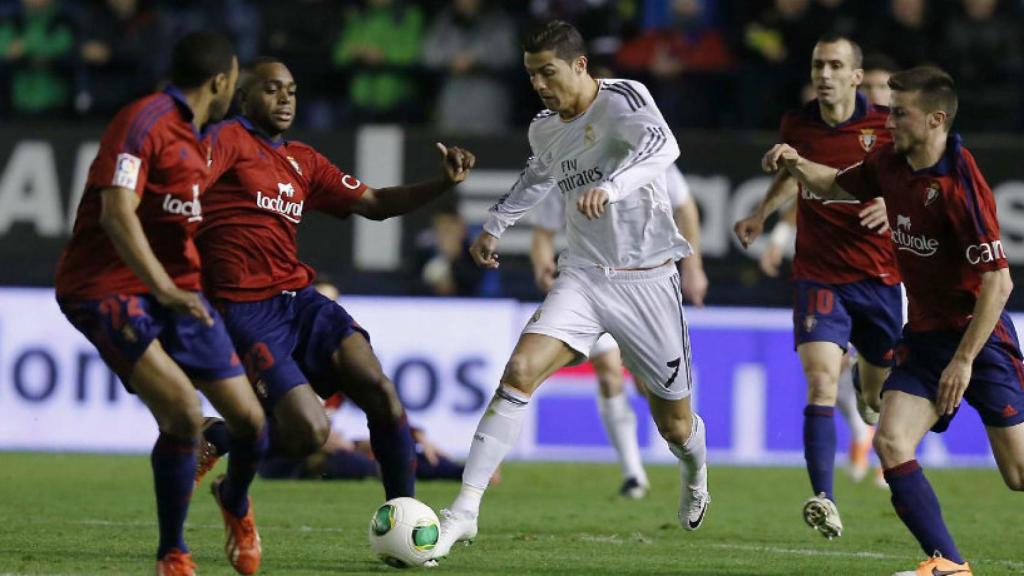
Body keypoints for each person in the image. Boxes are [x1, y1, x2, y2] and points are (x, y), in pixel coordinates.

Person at [432, 20, 708, 560]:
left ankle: (695, 469)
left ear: (580, 66)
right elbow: (538, 175)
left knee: (675, 425)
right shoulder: (544, 127)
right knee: (518, 373)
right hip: (583, 274)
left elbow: (663, 145)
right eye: (532, 74)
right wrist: (495, 225)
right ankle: (463, 513)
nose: (539, 83)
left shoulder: (627, 98)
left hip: (648, 278)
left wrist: (611, 184)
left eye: (548, 72)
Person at [762, 65, 1024, 576]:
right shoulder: (889, 163)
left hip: (979, 338)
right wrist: (794, 162)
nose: (888, 122)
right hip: (925, 336)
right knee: (890, 441)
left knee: (1017, 474)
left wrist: (964, 362)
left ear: (935, 120)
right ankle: (949, 563)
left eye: (899, 113)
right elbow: (834, 184)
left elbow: (999, 283)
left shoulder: (959, 185)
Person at [193, 57, 475, 503]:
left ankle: (403, 513)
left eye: (291, 89)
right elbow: (187, 186)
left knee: (378, 388)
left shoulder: (302, 160)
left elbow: (377, 202)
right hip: (246, 311)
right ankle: (219, 437)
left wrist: (441, 183)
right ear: (243, 98)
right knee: (308, 434)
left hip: (299, 301)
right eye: (271, 88)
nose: (285, 97)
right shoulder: (227, 139)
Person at [54, 32, 265, 576]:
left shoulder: (204, 136)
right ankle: (173, 552)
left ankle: (233, 500)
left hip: (178, 291)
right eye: (235, 81)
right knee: (184, 414)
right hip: (106, 288)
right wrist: (165, 288)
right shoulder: (143, 122)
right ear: (219, 82)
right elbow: (117, 213)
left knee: (250, 421)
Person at [733, 33, 899, 540]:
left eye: (834, 66)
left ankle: (866, 390)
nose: (823, 75)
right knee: (821, 380)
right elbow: (793, 175)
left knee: (874, 398)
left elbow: (914, 184)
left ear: (855, 76)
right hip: (819, 273)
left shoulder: (886, 128)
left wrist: (893, 207)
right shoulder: (798, 124)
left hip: (879, 277)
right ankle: (824, 497)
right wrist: (763, 212)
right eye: (816, 65)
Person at [529, 162, 708, 499]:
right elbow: (543, 232)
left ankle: (690, 456)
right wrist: (542, 265)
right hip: (592, 285)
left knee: (649, 390)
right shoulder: (570, 167)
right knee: (609, 373)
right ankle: (633, 474)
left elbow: (686, 208)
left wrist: (693, 266)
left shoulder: (650, 159)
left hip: (643, 291)